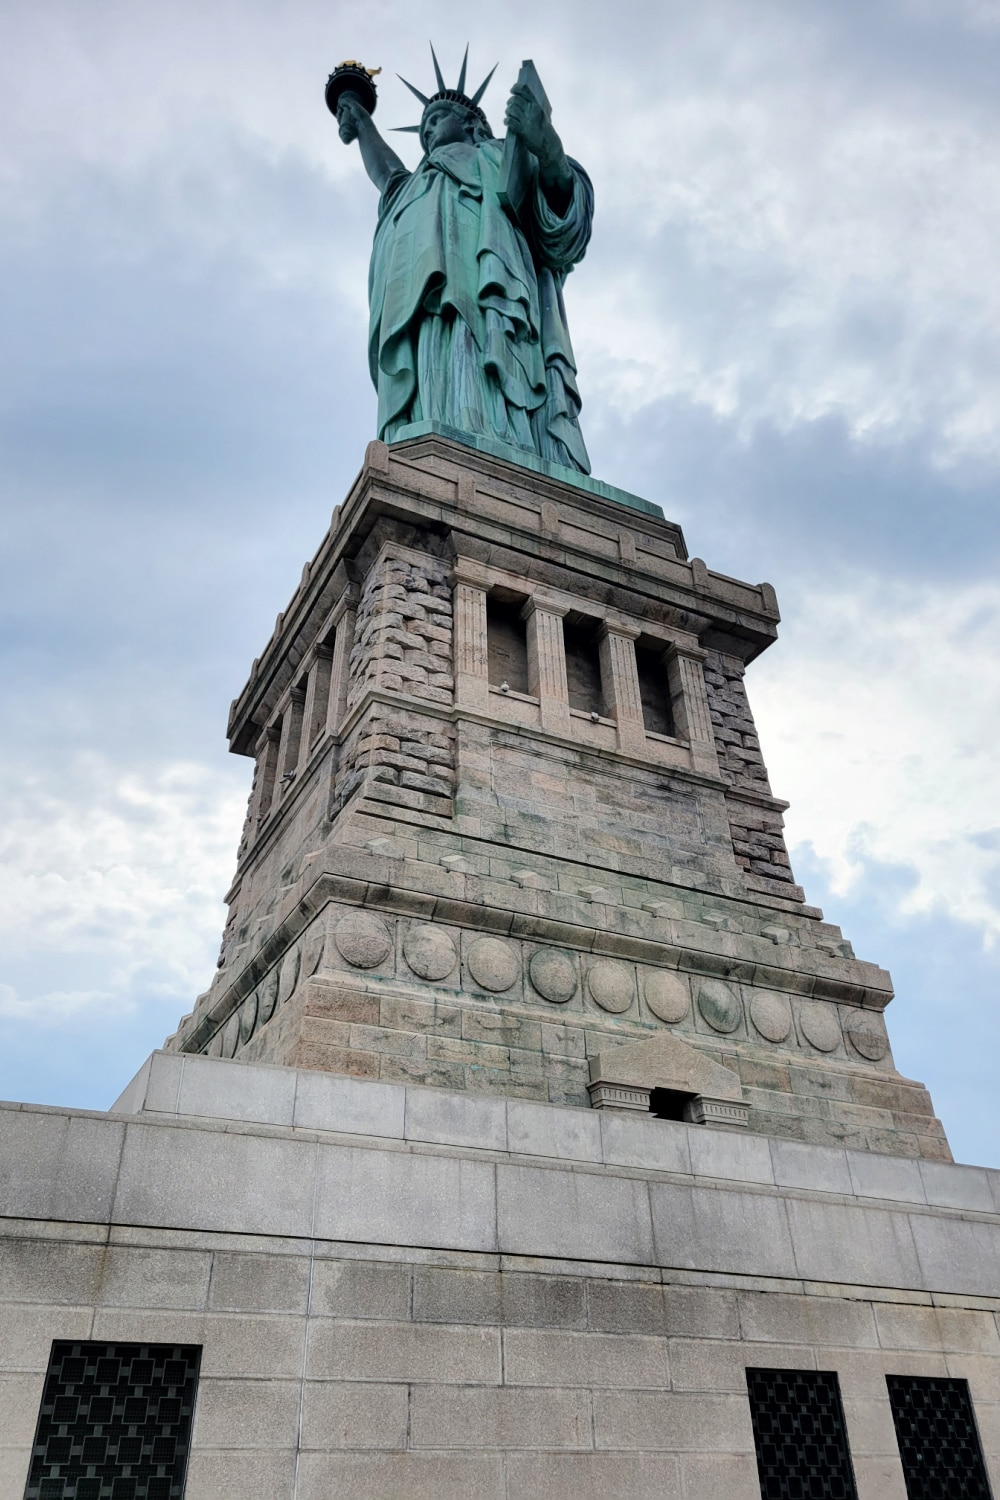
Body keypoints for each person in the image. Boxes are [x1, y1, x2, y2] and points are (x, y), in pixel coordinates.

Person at [336, 56, 594, 473]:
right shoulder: (414, 185)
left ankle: (501, 449)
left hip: (489, 294)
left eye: (437, 118)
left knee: (478, 366)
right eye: (423, 128)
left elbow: (562, 212)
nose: (427, 131)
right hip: (421, 310)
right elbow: (387, 173)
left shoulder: (498, 157)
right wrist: (362, 122)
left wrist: (546, 147)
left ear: (473, 123)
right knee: (436, 379)